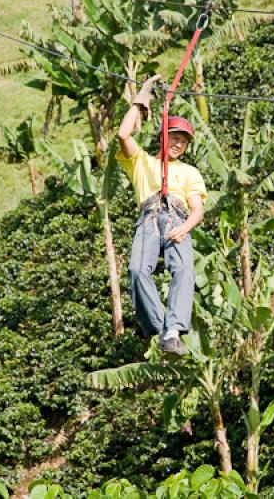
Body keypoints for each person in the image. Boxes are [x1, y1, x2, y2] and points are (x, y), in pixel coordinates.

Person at [116, 75, 206, 354]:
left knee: (183, 270)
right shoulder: (142, 162)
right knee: (136, 270)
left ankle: (174, 329)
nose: (178, 145)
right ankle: (160, 326)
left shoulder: (189, 172)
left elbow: (197, 209)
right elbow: (123, 135)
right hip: (150, 216)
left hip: (178, 218)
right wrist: (141, 102)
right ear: (163, 138)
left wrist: (185, 228)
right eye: (174, 138)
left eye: (183, 142)